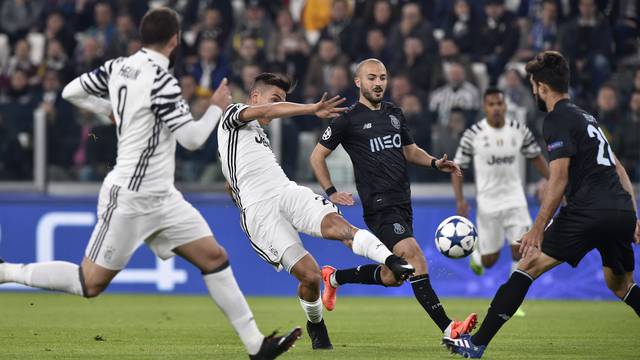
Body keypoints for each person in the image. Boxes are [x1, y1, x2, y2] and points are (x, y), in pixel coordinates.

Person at [0, 8, 301, 360]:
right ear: (175, 40)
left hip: (164, 198)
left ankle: (256, 346)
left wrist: (110, 111)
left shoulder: (117, 67)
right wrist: (217, 108)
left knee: (214, 258)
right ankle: (6, 270)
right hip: (130, 196)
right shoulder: (162, 81)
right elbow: (191, 138)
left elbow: (70, 91)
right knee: (89, 283)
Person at [443, 51, 640, 358]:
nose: (533, 91)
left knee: (527, 266)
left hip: (588, 209)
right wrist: (633, 216)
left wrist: (537, 228)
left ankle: (477, 342)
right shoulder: (588, 118)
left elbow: (558, 178)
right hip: (620, 210)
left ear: (542, 87)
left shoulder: (557, 118)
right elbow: (619, 170)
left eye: (534, 86)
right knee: (621, 284)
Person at [217, 72, 415, 350]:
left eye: (281, 101)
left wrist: (234, 186)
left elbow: (233, 179)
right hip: (260, 212)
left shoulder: (255, 136)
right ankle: (316, 324)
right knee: (309, 276)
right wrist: (312, 108)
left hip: (286, 191)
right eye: (275, 100)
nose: (276, 108)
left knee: (339, 226)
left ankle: (391, 260)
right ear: (255, 97)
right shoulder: (233, 114)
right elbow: (268, 112)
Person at [309, 58, 477, 341]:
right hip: (379, 205)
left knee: (393, 275)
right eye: (372, 78)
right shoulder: (347, 119)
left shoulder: (394, 112)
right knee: (415, 258)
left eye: (383, 78)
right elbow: (317, 156)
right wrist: (331, 191)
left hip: (403, 201)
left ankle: (334, 277)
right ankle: (450, 330)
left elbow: (409, 151)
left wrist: (436, 163)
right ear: (358, 82)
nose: (378, 83)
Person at [451, 88, 549, 297]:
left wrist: (554, 180)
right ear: (484, 108)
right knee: (490, 261)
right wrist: (460, 201)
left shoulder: (519, 130)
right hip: (488, 204)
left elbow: (536, 157)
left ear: (505, 107)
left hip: (515, 200)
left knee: (521, 251)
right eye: (491, 104)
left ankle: (512, 297)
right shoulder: (473, 134)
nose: (496, 108)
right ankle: (477, 254)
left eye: (499, 104)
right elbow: (457, 168)